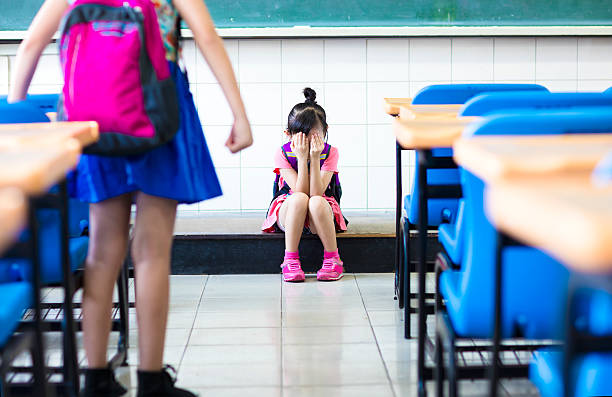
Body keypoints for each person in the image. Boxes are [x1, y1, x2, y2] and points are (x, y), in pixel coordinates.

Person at [9, 0, 252, 395]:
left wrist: (21, 125)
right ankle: (152, 381)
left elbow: (31, 44)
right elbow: (207, 36)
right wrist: (239, 115)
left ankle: (96, 379)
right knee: (152, 252)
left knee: (101, 254)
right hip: (160, 115)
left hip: (95, 121)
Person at [262, 88, 347, 283]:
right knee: (300, 198)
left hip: (319, 213)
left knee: (316, 201)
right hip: (291, 209)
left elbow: (317, 193)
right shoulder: (282, 153)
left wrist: (315, 158)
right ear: (288, 134)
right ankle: (290, 260)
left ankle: (333, 259)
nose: (308, 142)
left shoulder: (330, 153)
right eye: (302, 136)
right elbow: (300, 192)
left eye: (315, 136)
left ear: (326, 131)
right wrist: (301, 158)